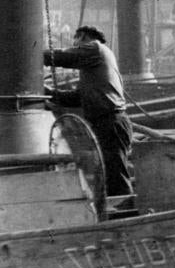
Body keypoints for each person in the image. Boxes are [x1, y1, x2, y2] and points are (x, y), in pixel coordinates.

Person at [43, 25, 133, 197]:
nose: (74, 45)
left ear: (82, 36)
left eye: (75, 41)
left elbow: (64, 56)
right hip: (108, 122)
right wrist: (49, 93)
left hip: (110, 122)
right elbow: (77, 97)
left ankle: (126, 215)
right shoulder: (94, 65)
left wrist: (31, 55)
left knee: (115, 175)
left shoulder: (95, 48)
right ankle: (118, 211)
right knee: (110, 173)